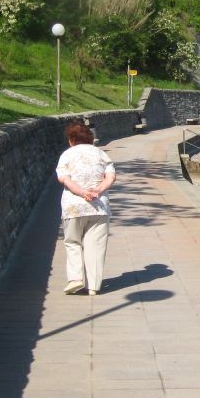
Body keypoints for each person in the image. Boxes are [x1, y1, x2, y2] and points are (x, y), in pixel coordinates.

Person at [55, 120, 116, 296]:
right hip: (99, 207)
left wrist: (83, 193)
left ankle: (75, 279)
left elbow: (65, 179)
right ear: (90, 138)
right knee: (96, 246)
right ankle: (94, 286)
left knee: (73, 242)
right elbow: (111, 177)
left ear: (71, 139)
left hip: (74, 207)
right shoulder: (101, 154)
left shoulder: (67, 155)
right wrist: (97, 190)